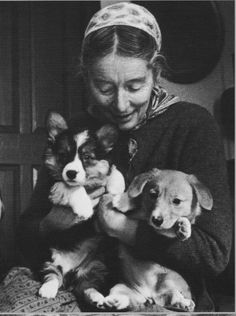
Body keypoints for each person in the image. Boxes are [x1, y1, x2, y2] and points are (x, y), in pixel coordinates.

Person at [1, 2, 232, 313]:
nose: (121, 104)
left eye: (135, 86)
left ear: (156, 72)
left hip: (166, 293)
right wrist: (51, 223)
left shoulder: (192, 125)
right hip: (80, 287)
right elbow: (26, 236)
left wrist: (122, 228)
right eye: (104, 87)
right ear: (86, 77)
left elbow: (214, 255)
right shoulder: (78, 132)